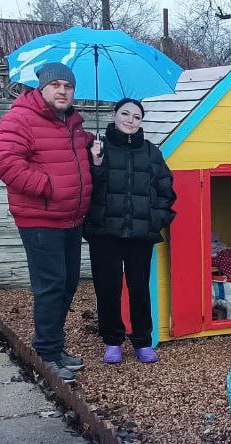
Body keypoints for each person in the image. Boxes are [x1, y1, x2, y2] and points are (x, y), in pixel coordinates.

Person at [0, 63, 94, 382]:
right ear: (42, 87)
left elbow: (66, 154)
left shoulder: (73, 121)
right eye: (56, 85)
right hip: (40, 219)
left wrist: (92, 146)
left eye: (68, 86)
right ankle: (47, 354)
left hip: (70, 218)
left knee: (68, 283)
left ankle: (54, 346)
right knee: (50, 286)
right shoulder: (21, 118)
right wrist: (47, 187)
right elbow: (4, 160)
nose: (62, 91)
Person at [85, 98, 176, 364]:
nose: (130, 120)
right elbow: (86, 188)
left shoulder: (151, 153)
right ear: (114, 115)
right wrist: (96, 164)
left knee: (139, 290)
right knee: (108, 289)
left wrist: (155, 220)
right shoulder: (98, 148)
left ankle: (142, 341)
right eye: (125, 114)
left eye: (136, 117)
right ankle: (112, 340)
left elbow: (166, 191)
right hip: (105, 233)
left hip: (139, 235)